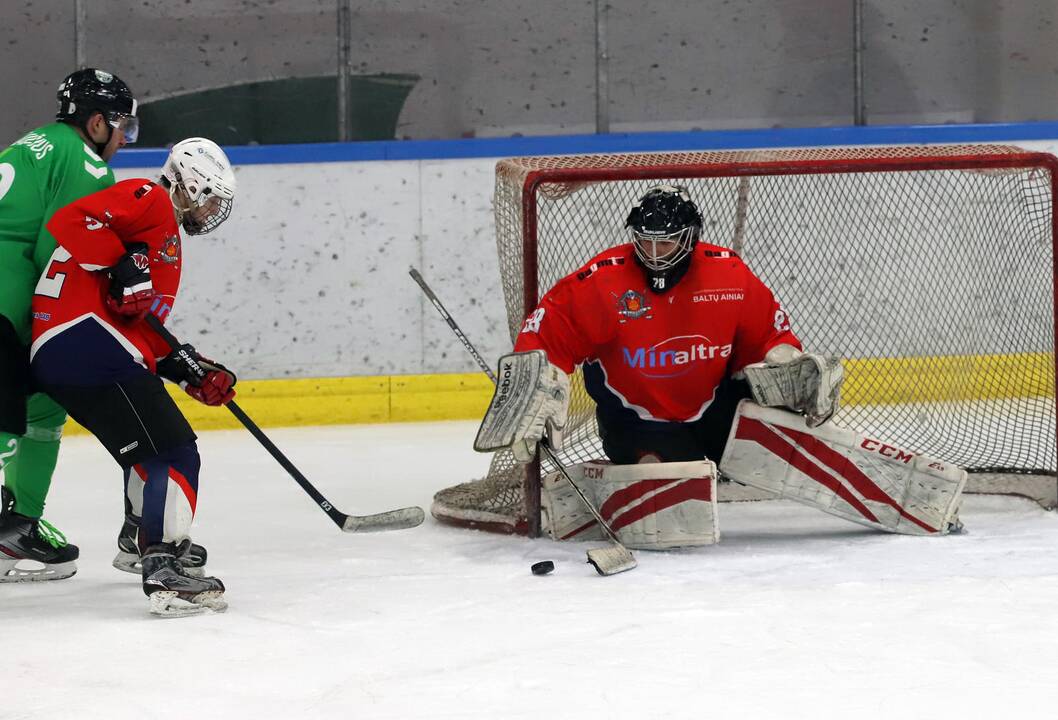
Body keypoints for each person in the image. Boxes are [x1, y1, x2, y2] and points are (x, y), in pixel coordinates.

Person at [475, 185, 963, 545]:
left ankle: (917, 501)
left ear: (690, 238)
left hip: (716, 407)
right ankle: (592, 487)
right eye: (644, 242)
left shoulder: (728, 273)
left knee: (787, 441)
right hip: (638, 420)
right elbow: (545, 338)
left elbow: (768, 338)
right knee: (670, 511)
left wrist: (789, 364)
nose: (653, 253)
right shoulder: (600, 283)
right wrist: (539, 390)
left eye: (665, 243)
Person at [27, 137, 237, 616]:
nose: (209, 211)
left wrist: (189, 370)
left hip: (77, 348)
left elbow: (136, 321)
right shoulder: (150, 197)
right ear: (188, 182)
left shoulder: (162, 235)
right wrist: (121, 261)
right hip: (84, 339)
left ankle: (140, 537)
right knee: (174, 449)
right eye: (208, 197)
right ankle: (162, 562)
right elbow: (70, 220)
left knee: (148, 449)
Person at [0, 68, 138, 581]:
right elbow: (58, 252)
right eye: (123, 126)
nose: (124, 139)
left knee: (39, 401)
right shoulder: (85, 165)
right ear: (98, 122)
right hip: (6, 289)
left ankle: (17, 526)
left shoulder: (37, 142)